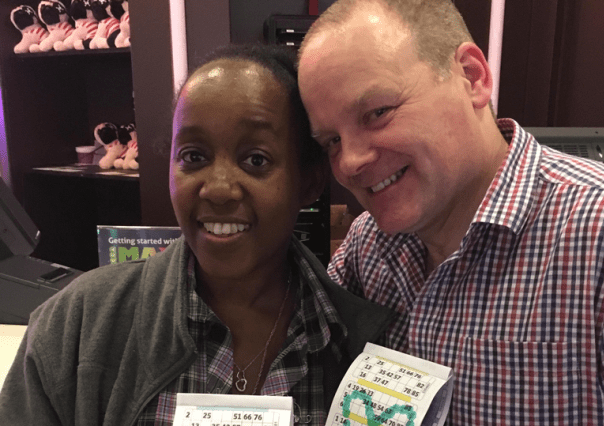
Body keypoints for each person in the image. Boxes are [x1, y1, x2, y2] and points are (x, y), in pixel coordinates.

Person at [0, 44, 394, 426]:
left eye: (256, 159)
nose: (218, 188)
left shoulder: (355, 340)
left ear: (309, 182)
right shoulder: (76, 327)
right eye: (194, 156)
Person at [297, 0, 604, 424]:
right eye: (331, 141)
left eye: (377, 113)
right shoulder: (367, 248)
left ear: (472, 77)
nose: (350, 162)